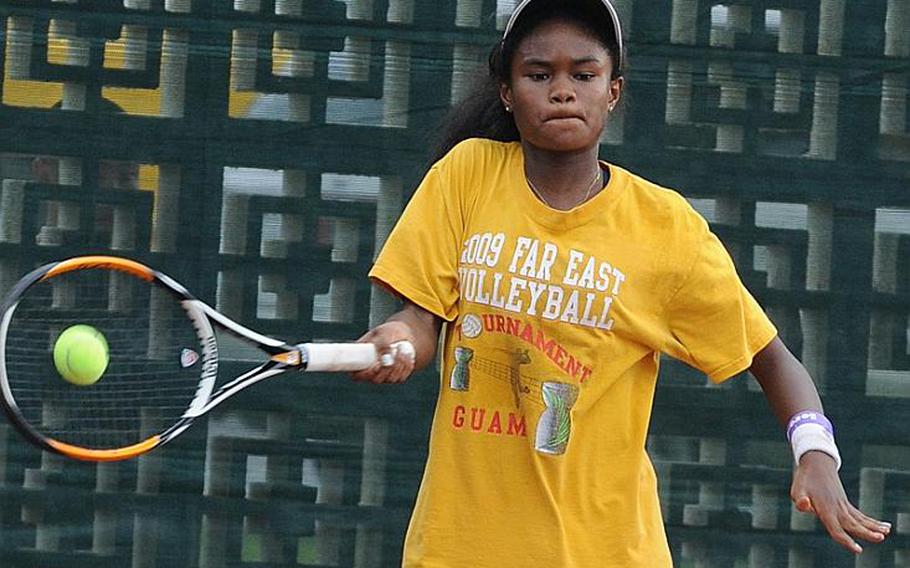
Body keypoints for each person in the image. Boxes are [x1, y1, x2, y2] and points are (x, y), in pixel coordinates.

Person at [351, 1, 891, 565]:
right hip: (457, 548)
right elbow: (420, 321)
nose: (563, 91)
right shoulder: (467, 174)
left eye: (584, 75)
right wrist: (396, 342)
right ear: (507, 92)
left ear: (612, 91)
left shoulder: (665, 227)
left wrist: (816, 453)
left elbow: (772, 359)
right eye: (540, 74)